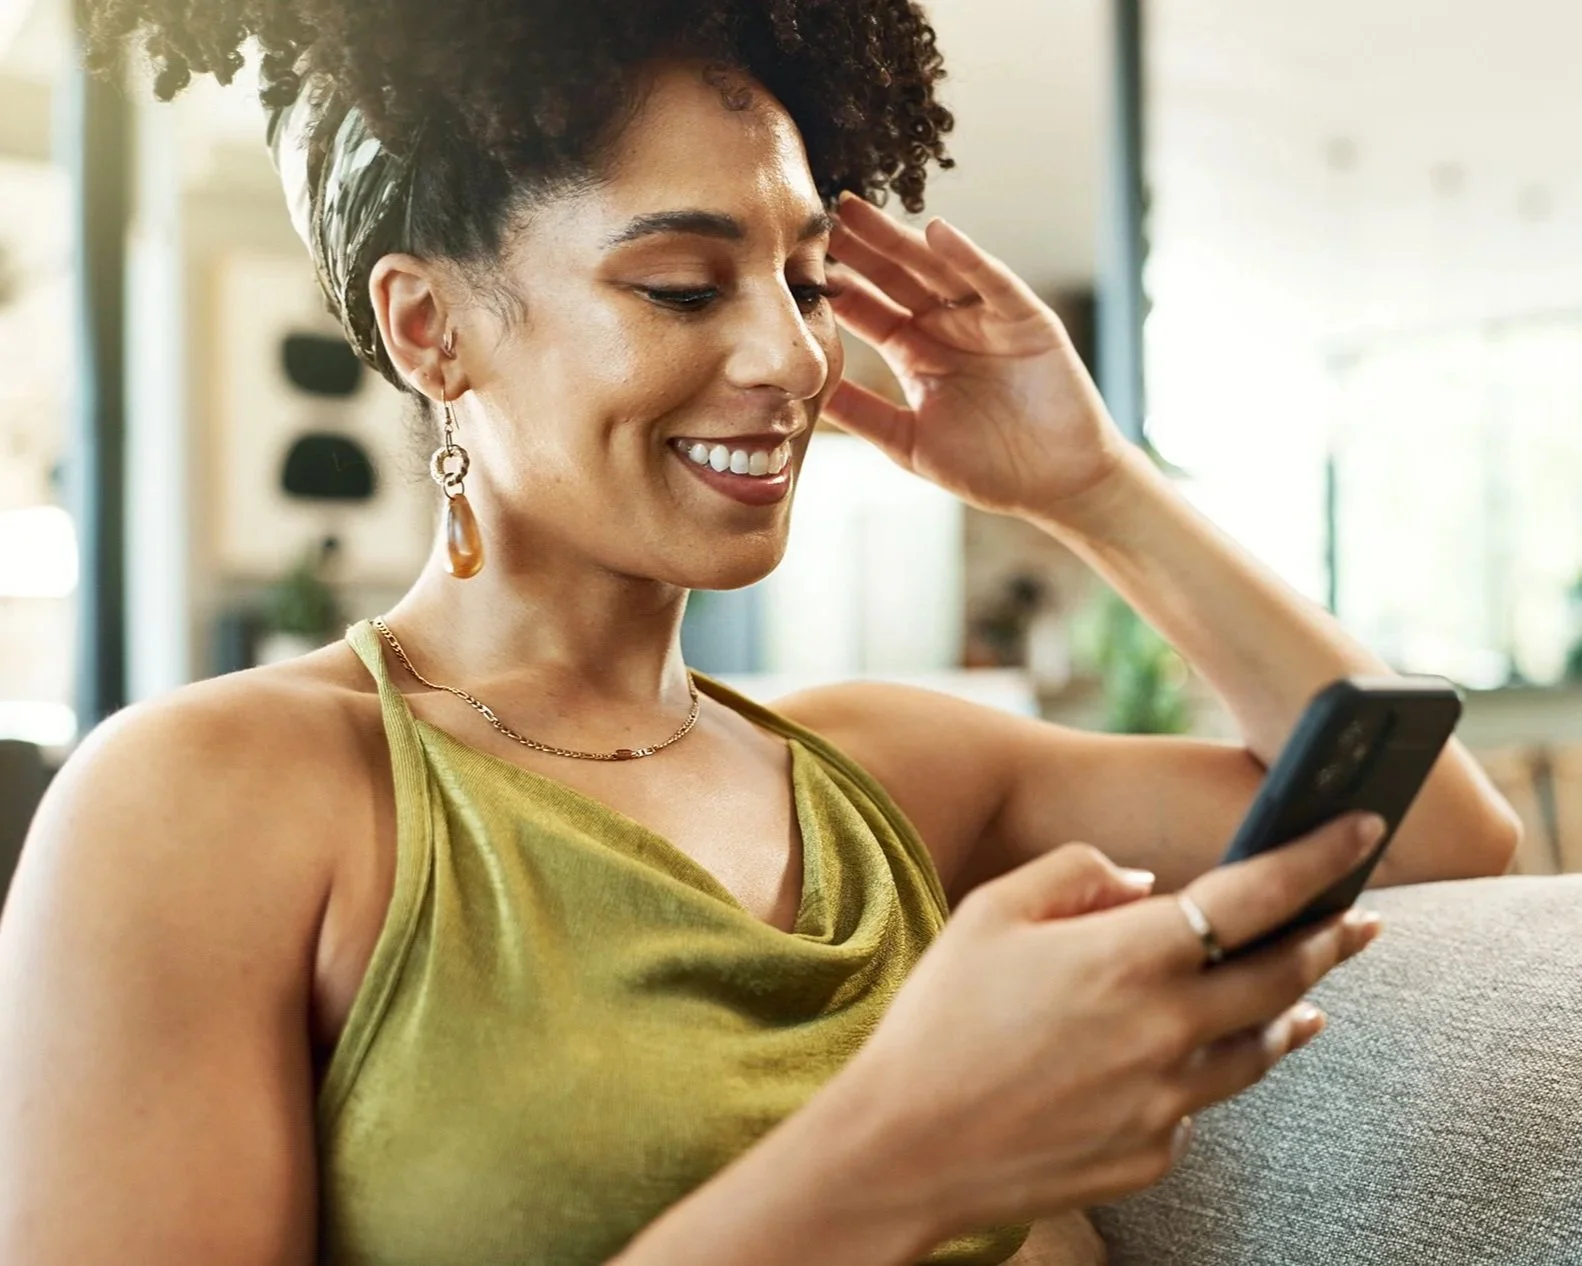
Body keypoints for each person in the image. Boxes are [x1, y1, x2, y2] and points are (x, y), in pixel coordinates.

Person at [0, 2, 1519, 1264]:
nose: (792, 354)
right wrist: (908, 1144)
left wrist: (1095, 486)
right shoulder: (213, 800)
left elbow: (1442, 830)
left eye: (805, 279)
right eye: (679, 284)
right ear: (426, 328)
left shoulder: (889, 771)